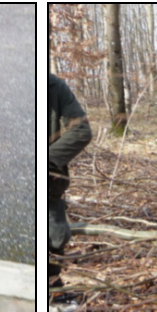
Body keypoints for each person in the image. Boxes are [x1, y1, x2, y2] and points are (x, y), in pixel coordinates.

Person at [47, 73, 92, 298]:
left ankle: (54, 292)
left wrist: (49, 159)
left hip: (49, 183)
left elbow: (81, 131)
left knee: (55, 237)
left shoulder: (53, 85)